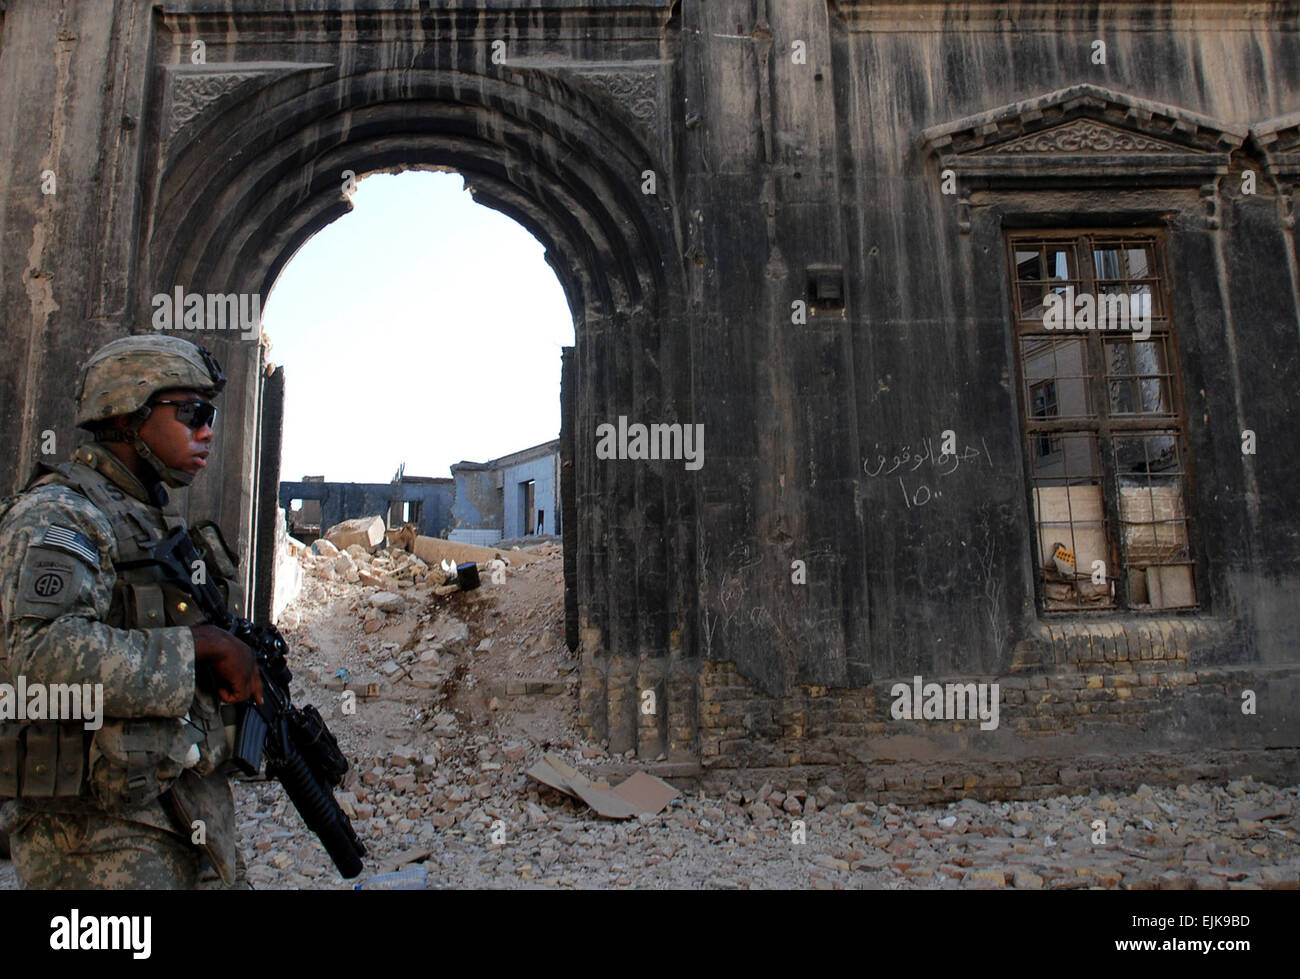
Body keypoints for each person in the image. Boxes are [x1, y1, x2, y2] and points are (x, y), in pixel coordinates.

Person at [0, 335, 263, 888]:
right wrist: (201, 647)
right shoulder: (61, 513)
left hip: (171, 811)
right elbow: (42, 656)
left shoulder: (143, 522)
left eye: (208, 414)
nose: (208, 430)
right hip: (93, 834)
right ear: (128, 413)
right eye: (192, 413)